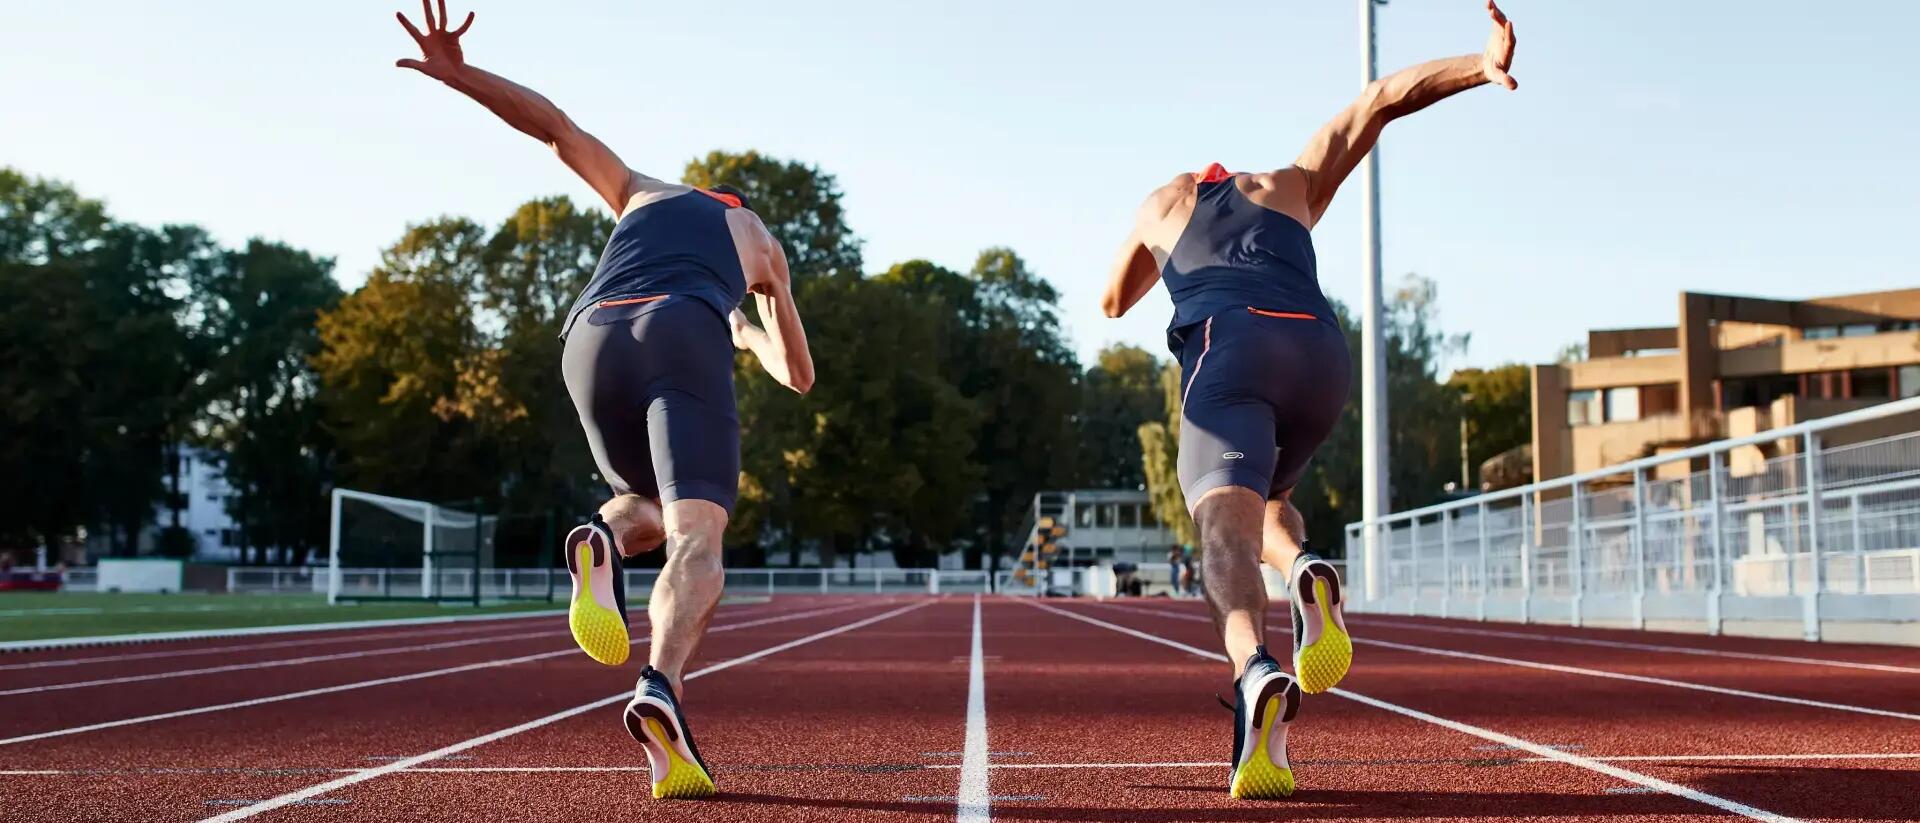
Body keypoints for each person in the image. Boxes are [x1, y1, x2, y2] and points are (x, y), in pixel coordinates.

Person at [393, 2, 815, 800]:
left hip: (589, 334)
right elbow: (796, 372)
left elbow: (554, 126)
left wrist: (457, 75)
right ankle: (661, 683)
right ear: (737, 204)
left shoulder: (643, 192)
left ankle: (601, 540)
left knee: (644, 502)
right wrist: (764, 301)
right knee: (699, 536)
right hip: (684, 329)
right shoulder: (758, 237)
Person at [1098, 1, 1518, 799]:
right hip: (1319, 351)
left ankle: (1255, 666)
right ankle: (1303, 565)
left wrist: (1163, 249)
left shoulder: (1163, 201)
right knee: (1270, 500)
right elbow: (1380, 100)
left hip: (1231, 350)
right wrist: (1480, 63)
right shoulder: (1291, 184)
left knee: (1221, 527)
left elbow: (1114, 301)